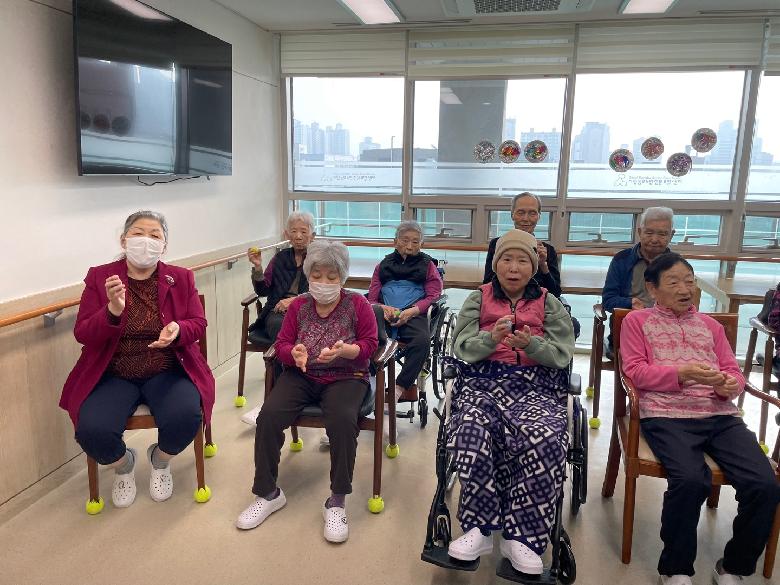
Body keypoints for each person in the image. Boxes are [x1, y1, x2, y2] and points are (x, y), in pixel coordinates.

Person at [619, 252, 780, 585]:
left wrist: (728, 385)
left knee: (764, 483)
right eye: (674, 282)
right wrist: (682, 374)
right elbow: (635, 372)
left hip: (719, 415)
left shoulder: (711, 326)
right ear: (652, 288)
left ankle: (733, 566)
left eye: (689, 281)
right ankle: (675, 568)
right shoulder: (637, 322)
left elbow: (733, 372)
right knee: (691, 480)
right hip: (665, 415)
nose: (684, 289)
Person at [60, 211, 215, 509]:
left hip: (167, 370)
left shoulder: (181, 277)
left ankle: (160, 460)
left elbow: (198, 323)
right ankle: (124, 465)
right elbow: (83, 333)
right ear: (124, 240)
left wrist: (178, 329)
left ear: (164, 246)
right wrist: (112, 312)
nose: (146, 241)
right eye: (138, 233)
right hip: (114, 373)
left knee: (187, 417)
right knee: (92, 431)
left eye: (155, 235)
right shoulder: (101, 277)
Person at [445, 229, 575, 575]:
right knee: (470, 428)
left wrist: (531, 345)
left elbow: (562, 354)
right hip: (483, 381)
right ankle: (479, 527)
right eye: (506, 259)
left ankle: (524, 537)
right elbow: (461, 347)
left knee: (546, 437)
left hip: (536, 385)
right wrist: (491, 339)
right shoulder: (478, 298)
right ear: (495, 263)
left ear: (533, 267)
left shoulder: (549, 303)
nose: (513, 267)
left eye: (522, 261)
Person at [236, 240, 378, 544]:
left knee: (342, 420)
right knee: (268, 417)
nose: (323, 282)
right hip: (302, 374)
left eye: (331, 276)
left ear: (342, 277)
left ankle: (336, 500)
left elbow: (370, 344)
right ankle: (268, 493)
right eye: (317, 275)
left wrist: (347, 350)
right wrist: (294, 354)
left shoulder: (358, 304)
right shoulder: (299, 305)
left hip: (347, 376)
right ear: (308, 274)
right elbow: (283, 344)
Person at [241, 211, 315, 426]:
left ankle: (289, 391)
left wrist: (295, 301)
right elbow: (263, 290)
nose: (298, 236)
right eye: (294, 231)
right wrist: (257, 268)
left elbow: (323, 289)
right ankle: (281, 393)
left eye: (304, 231)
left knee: (301, 334)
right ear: (286, 234)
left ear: (313, 235)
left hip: (308, 311)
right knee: (281, 331)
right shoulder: (280, 258)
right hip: (277, 312)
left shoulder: (318, 258)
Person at [367, 220, 443, 421]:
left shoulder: (428, 266)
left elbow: (434, 295)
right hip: (385, 311)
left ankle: (399, 388)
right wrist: (382, 308)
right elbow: (372, 296)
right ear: (395, 241)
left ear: (421, 244)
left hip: (413, 312)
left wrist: (412, 311)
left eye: (415, 242)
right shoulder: (382, 265)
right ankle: (370, 382)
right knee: (367, 338)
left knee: (422, 341)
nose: (410, 246)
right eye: (405, 240)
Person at [483, 191, 580, 338]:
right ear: (512, 215)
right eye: (521, 212)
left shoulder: (547, 250)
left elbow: (555, 293)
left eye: (532, 213)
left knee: (571, 325)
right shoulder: (498, 245)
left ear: (539, 216)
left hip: (538, 308)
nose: (526, 218)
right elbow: (487, 284)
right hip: (503, 305)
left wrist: (543, 265)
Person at [602, 206, 675, 356]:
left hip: (667, 332)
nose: (654, 239)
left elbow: (686, 304)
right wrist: (630, 303)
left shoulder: (677, 264)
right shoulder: (622, 259)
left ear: (671, 235)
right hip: (629, 330)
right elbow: (608, 300)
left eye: (662, 234)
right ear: (640, 232)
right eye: (649, 233)